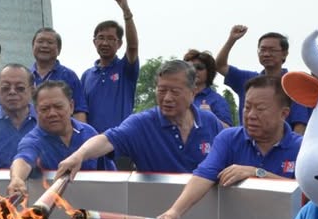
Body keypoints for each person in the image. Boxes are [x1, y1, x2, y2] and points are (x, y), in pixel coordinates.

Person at [157, 75, 302, 219]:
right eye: (247, 107)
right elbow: (203, 175)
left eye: (260, 109)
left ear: (284, 113)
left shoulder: (302, 148)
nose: (251, 115)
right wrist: (175, 211)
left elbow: (306, 193)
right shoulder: (229, 139)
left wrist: (257, 173)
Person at [56, 59, 226, 178]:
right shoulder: (142, 124)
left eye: (175, 92)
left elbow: (226, 158)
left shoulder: (210, 122)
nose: (167, 98)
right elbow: (106, 140)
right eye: (161, 90)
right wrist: (79, 156)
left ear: (193, 92)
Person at [8, 81, 113, 197]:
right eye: (45, 109)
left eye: (58, 107)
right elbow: (23, 160)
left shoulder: (89, 133)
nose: (52, 113)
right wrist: (17, 178)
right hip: (52, 205)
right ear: (36, 111)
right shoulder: (33, 141)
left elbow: (110, 174)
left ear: (71, 106)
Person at [215, 25, 309, 132]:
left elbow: (300, 126)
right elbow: (220, 66)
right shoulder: (247, 79)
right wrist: (232, 39)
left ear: (284, 54)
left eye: (272, 50)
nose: (266, 54)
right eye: (262, 50)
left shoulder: (293, 85)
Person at [81, 0, 140, 133]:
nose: (105, 43)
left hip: (122, 140)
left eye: (111, 39)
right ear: (94, 42)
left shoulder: (125, 68)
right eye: (101, 38)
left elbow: (133, 46)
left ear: (119, 44)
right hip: (93, 142)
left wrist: (126, 11)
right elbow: (81, 111)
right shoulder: (87, 76)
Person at [30, 27, 88, 121]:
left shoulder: (69, 75)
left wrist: (80, 130)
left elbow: (79, 111)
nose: (44, 46)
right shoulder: (25, 76)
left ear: (59, 50)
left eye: (50, 42)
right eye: (40, 41)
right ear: (33, 46)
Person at [183, 49, 233, 126]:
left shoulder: (217, 100)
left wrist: (211, 117)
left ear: (209, 72)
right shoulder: (178, 95)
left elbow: (228, 129)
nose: (194, 70)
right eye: (189, 67)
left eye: (199, 67)